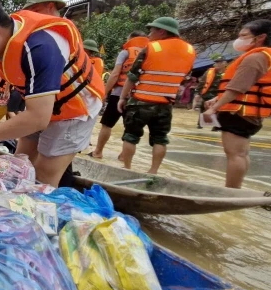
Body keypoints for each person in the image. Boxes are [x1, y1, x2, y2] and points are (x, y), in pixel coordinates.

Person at [0, 0, 104, 187]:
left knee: (42, 176)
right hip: (41, 106)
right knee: (20, 164)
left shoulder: (40, 46)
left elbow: (38, 118)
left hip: (75, 108)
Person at [117, 17, 195, 174]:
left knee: (130, 136)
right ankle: (153, 171)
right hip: (165, 104)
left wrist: (122, 97)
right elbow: (185, 75)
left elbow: (132, 76)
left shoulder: (151, 48)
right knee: (160, 139)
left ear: (162, 31)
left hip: (141, 101)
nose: (149, 34)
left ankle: (127, 168)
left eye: (152, 30)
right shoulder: (190, 51)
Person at [203, 19, 271, 189]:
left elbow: (237, 88)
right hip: (247, 112)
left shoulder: (255, 57)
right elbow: (244, 85)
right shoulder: (262, 55)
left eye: (244, 35)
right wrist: (217, 99)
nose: (239, 39)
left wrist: (213, 109)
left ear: (260, 37)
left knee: (235, 154)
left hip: (239, 112)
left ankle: (231, 191)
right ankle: (236, 188)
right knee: (241, 153)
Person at [89, 31, 148, 159]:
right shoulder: (149, 53)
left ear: (131, 39)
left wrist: (104, 93)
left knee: (107, 124)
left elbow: (115, 74)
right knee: (130, 129)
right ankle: (123, 157)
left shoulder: (126, 52)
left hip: (118, 94)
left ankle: (98, 152)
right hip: (138, 97)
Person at [195, 56, 228, 128]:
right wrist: (198, 93)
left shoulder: (228, 72)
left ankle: (216, 126)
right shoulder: (209, 71)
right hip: (207, 93)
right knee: (203, 108)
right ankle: (200, 124)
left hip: (219, 94)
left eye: (220, 62)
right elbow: (202, 82)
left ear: (225, 63)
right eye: (216, 63)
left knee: (218, 109)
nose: (217, 64)